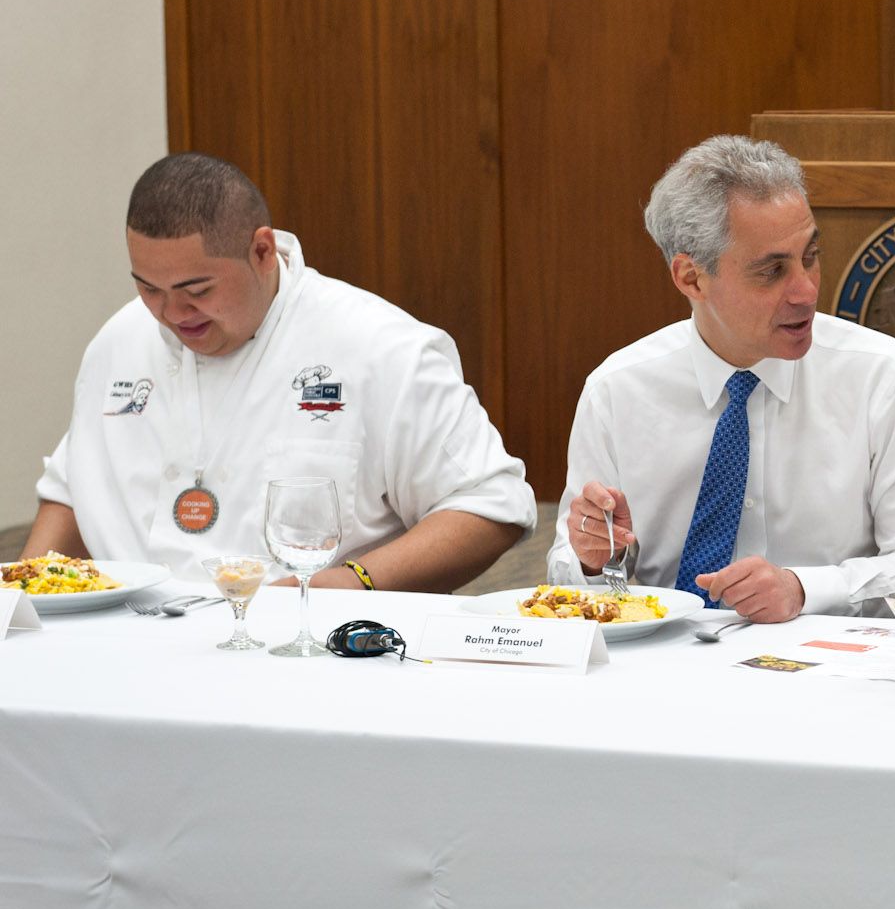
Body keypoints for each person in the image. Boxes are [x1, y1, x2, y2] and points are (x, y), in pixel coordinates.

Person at [26, 153, 535, 590]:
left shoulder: (379, 348)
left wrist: (353, 582)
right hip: (126, 650)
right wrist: (18, 604)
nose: (172, 313)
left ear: (262, 251)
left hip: (311, 656)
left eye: (198, 291)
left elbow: (493, 504)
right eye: (149, 288)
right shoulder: (119, 339)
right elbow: (74, 489)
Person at [551, 135, 895, 622]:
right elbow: (574, 576)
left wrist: (803, 589)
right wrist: (595, 562)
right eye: (772, 271)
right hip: (669, 668)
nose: (806, 291)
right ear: (691, 278)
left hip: (833, 671)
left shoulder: (883, 376)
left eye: (810, 256)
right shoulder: (617, 390)